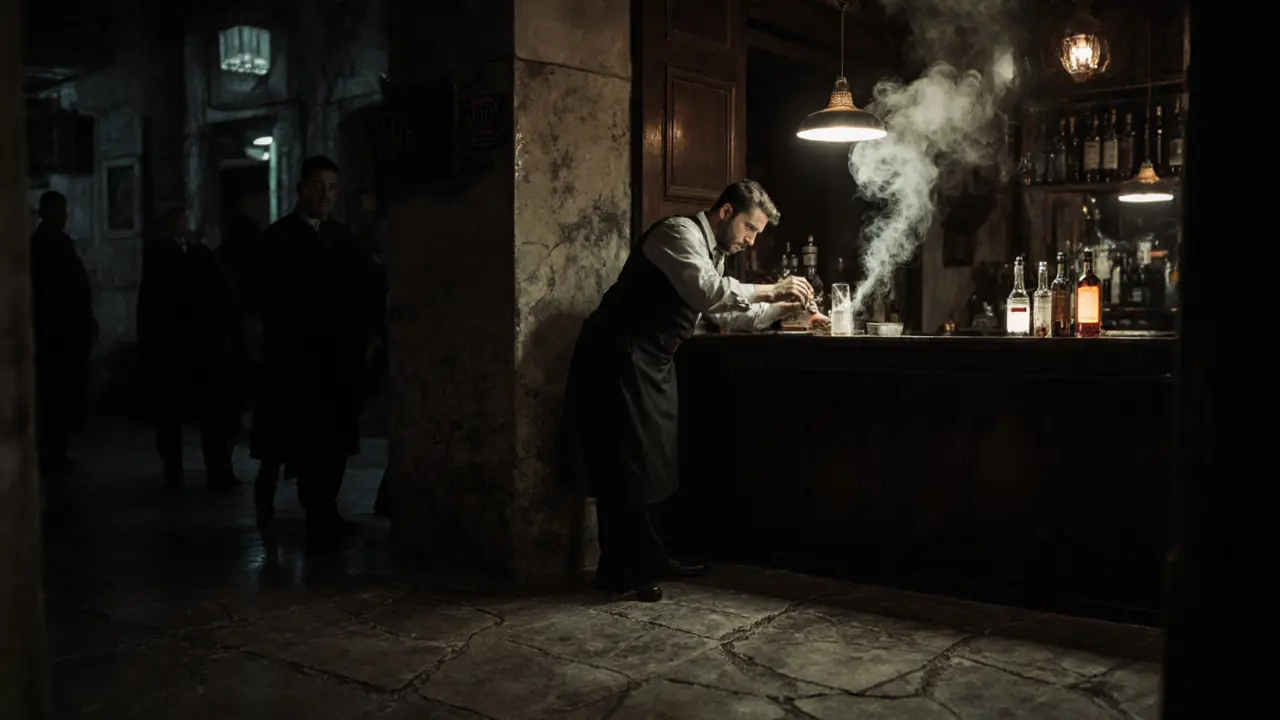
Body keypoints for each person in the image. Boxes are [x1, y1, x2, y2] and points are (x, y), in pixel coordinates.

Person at [559, 180, 823, 602]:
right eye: (749, 229)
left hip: (654, 361)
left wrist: (783, 311)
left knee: (658, 460)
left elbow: (727, 315)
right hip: (619, 355)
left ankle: (653, 556)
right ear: (724, 213)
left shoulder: (712, 254)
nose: (751, 240)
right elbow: (707, 291)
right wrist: (774, 287)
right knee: (627, 464)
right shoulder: (676, 234)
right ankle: (618, 572)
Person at [251, 156, 377, 549]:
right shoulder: (278, 238)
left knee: (336, 440)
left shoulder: (342, 238)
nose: (326, 195)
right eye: (318, 186)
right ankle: (314, 508)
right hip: (297, 362)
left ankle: (326, 506)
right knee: (302, 439)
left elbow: (364, 288)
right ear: (302, 188)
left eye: (333, 187)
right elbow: (267, 300)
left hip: (338, 361)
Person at [136, 207, 241, 490]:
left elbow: (221, 295)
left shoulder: (200, 255)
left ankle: (216, 470)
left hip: (201, 346)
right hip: (175, 347)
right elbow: (150, 307)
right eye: (180, 221)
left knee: (209, 414)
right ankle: (176, 469)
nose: (184, 226)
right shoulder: (161, 257)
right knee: (173, 416)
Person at [29, 191, 97, 482]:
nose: (65, 215)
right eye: (60, 210)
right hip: (52, 336)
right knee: (50, 399)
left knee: (63, 398)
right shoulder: (41, 247)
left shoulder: (62, 244)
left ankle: (57, 450)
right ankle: (48, 453)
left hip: (68, 334)